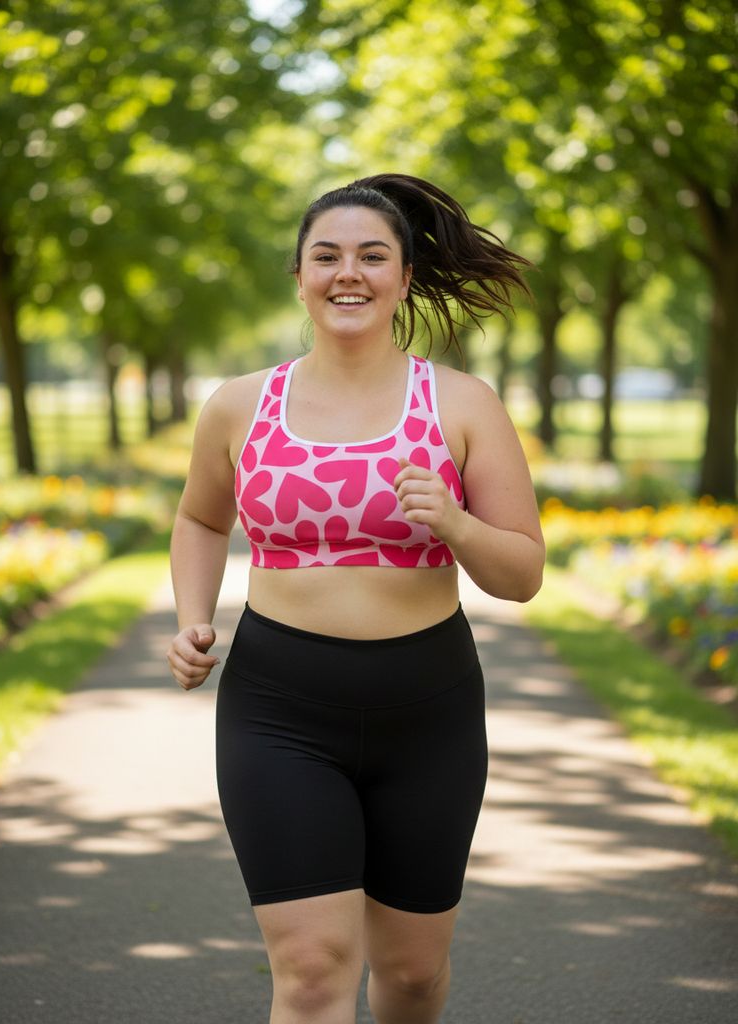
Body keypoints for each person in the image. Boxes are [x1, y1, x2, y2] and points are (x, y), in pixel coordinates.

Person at [166, 173, 545, 1024]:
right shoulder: (239, 406)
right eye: (326, 255)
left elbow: (521, 574)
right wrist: (193, 615)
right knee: (309, 968)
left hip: (429, 709)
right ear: (297, 277)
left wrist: (454, 521)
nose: (349, 273)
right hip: (279, 708)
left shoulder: (460, 404)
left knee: (410, 975)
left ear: (405, 278)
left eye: (374, 256)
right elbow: (198, 517)